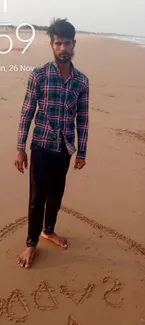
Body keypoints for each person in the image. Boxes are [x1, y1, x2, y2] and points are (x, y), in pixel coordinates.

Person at [14, 18, 89, 269]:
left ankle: (49, 230)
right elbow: (27, 114)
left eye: (67, 42)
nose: (63, 48)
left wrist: (82, 152)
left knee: (56, 194)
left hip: (65, 148)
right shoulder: (38, 76)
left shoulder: (81, 81)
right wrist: (19, 148)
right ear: (52, 45)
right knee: (37, 197)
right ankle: (31, 242)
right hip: (41, 146)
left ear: (74, 44)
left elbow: (83, 119)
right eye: (58, 43)